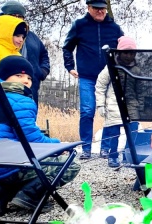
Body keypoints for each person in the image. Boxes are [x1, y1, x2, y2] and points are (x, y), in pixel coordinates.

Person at [0, 56, 81, 215]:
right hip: (15, 164)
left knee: (18, 167)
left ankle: (1, 192)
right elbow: (31, 138)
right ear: (3, 77)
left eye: (29, 77)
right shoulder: (20, 100)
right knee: (70, 164)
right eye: (19, 75)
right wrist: (57, 146)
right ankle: (28, 196)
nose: (26, 80)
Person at [62, 0, 123, 160]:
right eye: (96, 8)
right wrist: (70, 67)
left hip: (109, 77)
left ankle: (106, 148)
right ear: (89, 8)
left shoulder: (114, 28)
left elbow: (123, 48)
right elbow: (67, 47)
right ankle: (86, 148)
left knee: (110, 112)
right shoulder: (79, 25)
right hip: (87, 76)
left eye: (103, 8)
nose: (100, 12)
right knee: (87, 111)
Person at [0, 1, 50, 105]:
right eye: (13, 15)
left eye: (20, 16)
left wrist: (41, 72)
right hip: (2, 95)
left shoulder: (31, 36)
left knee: (28, 115)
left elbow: (44, 54)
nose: (17, 19)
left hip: (29, 89)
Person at [95, 36, 140, 167]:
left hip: (131, 104)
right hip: (114, 104)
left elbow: (141, 89)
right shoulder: (111, 67)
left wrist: (141, 105)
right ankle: (112, 155)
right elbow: (100, 85)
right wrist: (100, 104)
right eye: (125, 52)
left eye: (131, 53)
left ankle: (128, 155)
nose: (128, 55)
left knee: (133, 130)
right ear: (119, 52)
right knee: (113, 133)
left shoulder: (136, 69)